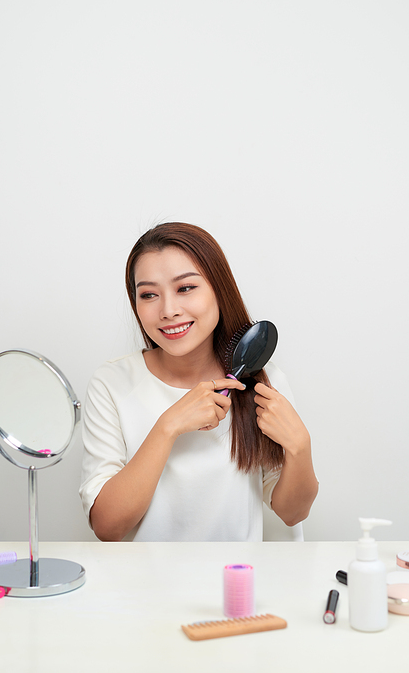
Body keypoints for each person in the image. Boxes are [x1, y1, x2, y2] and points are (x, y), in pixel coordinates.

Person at [79, 222, 318, 541]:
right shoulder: (112, 383)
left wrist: (300, 447)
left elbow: (292, 513)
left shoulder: (263, 380)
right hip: (144, 587)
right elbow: (107, 527)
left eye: (185, 288)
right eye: (149, 294)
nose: (168, 310)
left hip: (237, 585)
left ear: (219, 290)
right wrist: (169, 426)